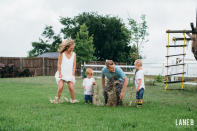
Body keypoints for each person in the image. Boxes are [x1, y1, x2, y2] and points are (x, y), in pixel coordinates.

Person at [54, 38, 79, 104]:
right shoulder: (62, 54)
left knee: (71, 88)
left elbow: (74, 64)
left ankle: (72, 100)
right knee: (60, 87)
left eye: (73, 48)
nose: (72, 50)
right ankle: (57, 100)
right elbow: (59, 64)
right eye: (71, 48)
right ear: (67, 47)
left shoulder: (74, 54)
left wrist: (73, 72)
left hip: (69, 74)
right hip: (62, 74)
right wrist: (59, 73)